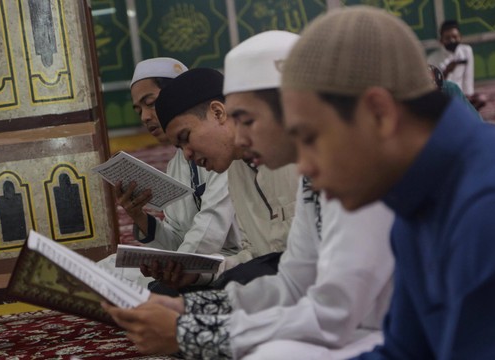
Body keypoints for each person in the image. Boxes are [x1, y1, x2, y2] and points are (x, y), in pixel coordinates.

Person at [102, 30, 395, 359]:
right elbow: (292, 281)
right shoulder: (310, 168)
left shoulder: (361, 166)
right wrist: (186, 305)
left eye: (247, 119)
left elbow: (333, 312)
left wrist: (192, 332)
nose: (239, 137)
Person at [281, 6, 495, 359]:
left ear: (379, 113)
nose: (303, 166)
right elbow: (406, 351)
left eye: (311, 138)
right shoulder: (417, 202)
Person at [98, 58, 241, 292]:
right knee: (106, 269)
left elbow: (211, 227)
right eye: (139, 110)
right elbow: (179, 238)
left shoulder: (226, 153)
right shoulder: (177, 164)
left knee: (158, 290)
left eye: (151, 103)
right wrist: (140, 217)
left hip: (231, 261)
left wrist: (176, 270)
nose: (145, 117)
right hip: (198, 262)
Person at [150, 67, 299, 289]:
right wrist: (197, 275)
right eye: (179, 146)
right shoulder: (236, 170)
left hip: (316, 281)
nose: (187, 154)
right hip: (278, 281)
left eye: (186, 137)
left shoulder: (296, 156)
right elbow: (254, 255)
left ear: (218, 113)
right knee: (163, 291)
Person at [427, 20, 486, 110]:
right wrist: (446, 72)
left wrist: (468, 96)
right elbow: (435, 88)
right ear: (441, 41)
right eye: (447, 38)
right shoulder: (432, 59)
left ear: (460, 37)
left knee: (481, 99)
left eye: (455, 37)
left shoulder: (466, 51)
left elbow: (468, 78)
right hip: (445, 97)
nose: (452, 40)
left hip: (462, 95)